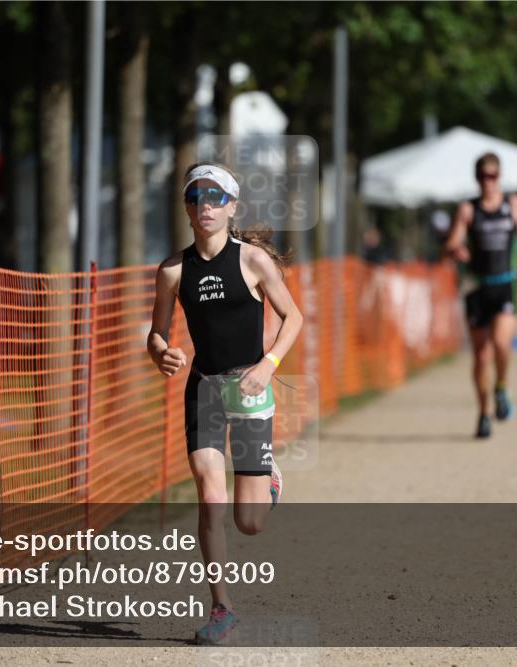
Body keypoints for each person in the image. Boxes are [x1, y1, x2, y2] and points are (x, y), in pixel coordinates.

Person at [147, 162, 303, 645]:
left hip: (251, 388)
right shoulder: (173, 270)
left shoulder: (253, 261)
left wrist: (268, 364)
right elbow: (156, 332)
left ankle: (268, 477)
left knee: (249, 523)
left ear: (232, 206)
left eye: (215, 197)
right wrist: (161, 352)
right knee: (210, 495)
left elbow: (293, 316)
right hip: (206, 389)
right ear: (188, 209)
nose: (206, 205)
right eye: (196, 197)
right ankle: (221, 607)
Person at [444, 152, 517, 439]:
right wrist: (454, 248)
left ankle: (502, 386)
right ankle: (484, 412)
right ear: (477, 179)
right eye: (484, 177)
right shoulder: (467, 209)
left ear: (500, 177)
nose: (489, 182)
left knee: (500, 342)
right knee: (480, 355)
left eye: (494, 176)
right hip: (477, 287)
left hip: (506, 283)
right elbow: (453, 239)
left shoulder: (515, 205)